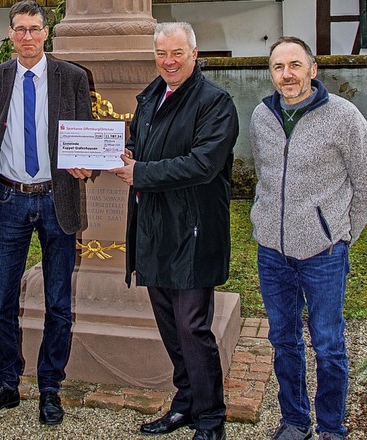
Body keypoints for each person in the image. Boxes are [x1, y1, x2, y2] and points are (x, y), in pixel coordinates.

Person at [110, 22, 238, 440]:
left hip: (193, 231)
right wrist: (130, 155)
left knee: (192, 327)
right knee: (169, 325)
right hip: (154, 228)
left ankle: (211, 419)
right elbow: (149, 151)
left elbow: (204, 163)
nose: (168, 61)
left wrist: (141, 171)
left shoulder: (215, 102)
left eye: (177, 53)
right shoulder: (150, 97)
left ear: (194, 54)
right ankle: (185, 403)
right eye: (162, 54)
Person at [0, 0, 92, 426]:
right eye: (18, 29)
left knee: (58, 302)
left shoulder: (72, 77)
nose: (26, 36)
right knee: (2, 300)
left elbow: (84, 135)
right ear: (10, 34)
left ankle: (50, 388)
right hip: (9, 200)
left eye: (33, 28)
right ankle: (6, 383)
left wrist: (86, 163)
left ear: (46, 32)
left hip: (56, 198)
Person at [249, 36, 367, 440]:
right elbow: (266, 177)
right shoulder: (260, 115)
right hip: (272, 253)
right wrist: (265, 221)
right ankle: (294, 421)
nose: (286, 74)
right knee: (284, 341)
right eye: (277, 67)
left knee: (328, 346)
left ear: (312, 69)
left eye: (294, 65)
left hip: (323, 253)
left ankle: (331, 428)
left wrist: (340, 235)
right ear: (270, 72)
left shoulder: (344, 116)